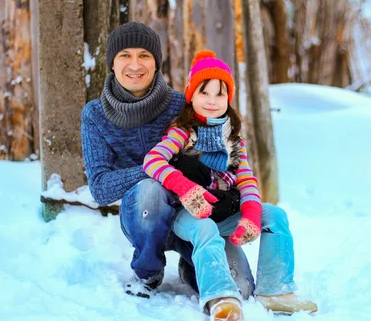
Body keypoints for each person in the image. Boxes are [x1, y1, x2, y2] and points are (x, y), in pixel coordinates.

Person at [80, 22, 254, 299]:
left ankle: (191, 263)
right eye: (125, 55)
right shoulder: (95, 114)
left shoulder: (180, 105)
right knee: (151, 190)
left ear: (156, 63)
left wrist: (229, 191)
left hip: (194, 213)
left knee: (241, 288)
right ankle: (148, 271)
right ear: (112, 63)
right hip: (143, 215)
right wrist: (162, 170)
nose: (135, 64)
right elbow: (100, 188)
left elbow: (222, 155)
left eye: (144, 55)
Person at [143, 50, 318, 320]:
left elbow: (246, 180)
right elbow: (153, 160)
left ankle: (275, 289)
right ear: (192, 96)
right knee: (205, 229)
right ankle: (220, 295)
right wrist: (186, 189)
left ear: (229, 98)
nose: (212, 101)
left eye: (220, 94)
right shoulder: (182, 132)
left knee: (275, 215)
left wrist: (250, 216)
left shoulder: (233, 141)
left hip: (222, 213)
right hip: (187, 215)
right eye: (204, 92)